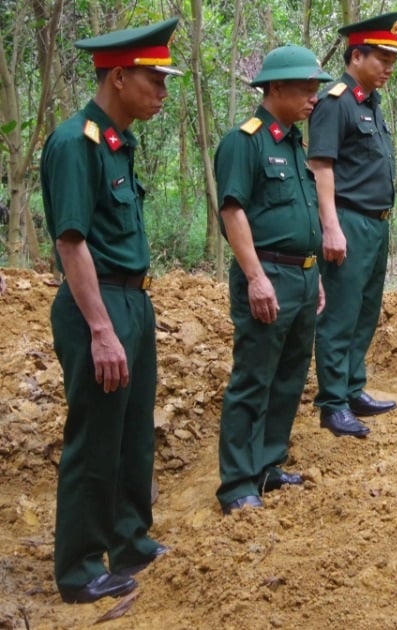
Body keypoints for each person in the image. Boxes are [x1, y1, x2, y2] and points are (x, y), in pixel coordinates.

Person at [40, 18, 181, 604]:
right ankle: (78, 567)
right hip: (97, 304)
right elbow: (71, 243)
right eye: (155, 80)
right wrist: (101, 329)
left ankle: (129, 538)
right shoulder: (76, 143)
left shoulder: (119, 143)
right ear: (119, 78)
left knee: (130, 433)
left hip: (133, 299)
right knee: (96, 436)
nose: (163, 93)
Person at [212, 46, 332, 515]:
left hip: (301, 275)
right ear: (275, 89)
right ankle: (237, 482)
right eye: (305, 89)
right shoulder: (245, 142)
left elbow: (301, 216)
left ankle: (267, 464)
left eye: (316, 89)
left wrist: (314, 272)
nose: (313, 98)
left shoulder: (292, 143)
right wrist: (256, 277)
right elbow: (232, 210)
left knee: (288, 375)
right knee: (254, 376)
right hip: (267, 275)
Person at [309, 12, 397, 438]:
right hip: (347, 221)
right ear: (356, 54)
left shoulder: (370, 103)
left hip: (376, 225)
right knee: (340, 314)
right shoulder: (336, 102)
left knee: (365, 311)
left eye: (393, 60)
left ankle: (353, 388)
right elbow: (321, 166)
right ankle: (332, 403)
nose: (389, 67)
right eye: (381, 58)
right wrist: (330, 227)